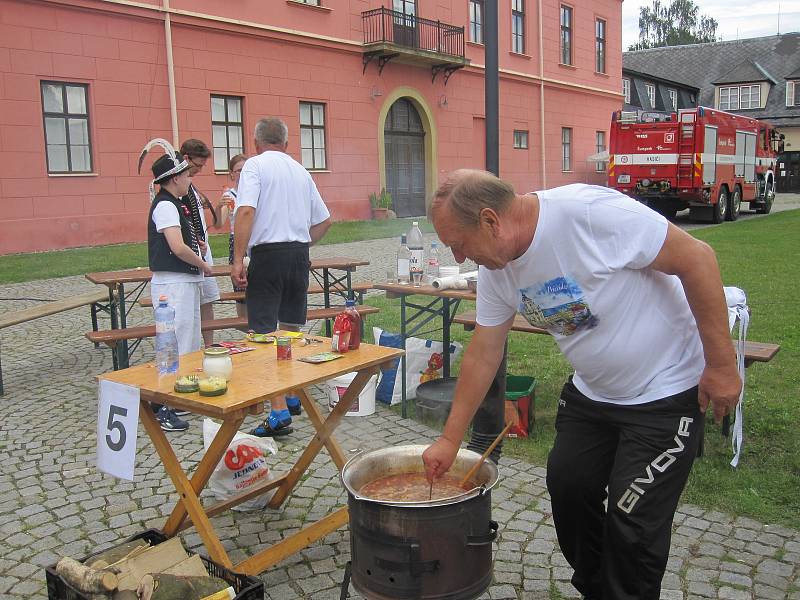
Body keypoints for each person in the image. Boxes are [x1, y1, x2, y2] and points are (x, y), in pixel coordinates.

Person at [421, 170, 741, 600]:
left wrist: (721, 366)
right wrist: (449, 439)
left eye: (458, 244)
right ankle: (597, 589)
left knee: (633, 519)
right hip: (593, 394)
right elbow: (483, 351)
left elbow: (697, 257)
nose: (459, 259)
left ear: (490, 221)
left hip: (665, 390)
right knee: (569, 488)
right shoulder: (499, 268)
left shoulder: (587, 214)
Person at [232, 117, 332, 437]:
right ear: (287, 144)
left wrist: (238, 257)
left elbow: (246, 211)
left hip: (269, 255)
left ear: (256, 142)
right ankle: (289, 395)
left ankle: (277, 411)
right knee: (290, 328)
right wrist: (301, 242)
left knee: (263, 332)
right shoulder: (301, 171)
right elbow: (325, 221)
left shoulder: (255, 166)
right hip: (298, 253)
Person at [146, 152, 213, 432]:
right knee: (176, 345)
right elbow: (176, 246)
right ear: (174, 178)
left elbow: (185, 240)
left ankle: (173, 399)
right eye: (186, 175)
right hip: (173, 284)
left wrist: (198, 245)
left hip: (183, 283)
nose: (189, 179)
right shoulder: (165, 205)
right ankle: (166, 405)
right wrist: (203, 265)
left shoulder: (176, 204)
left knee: (185, 342)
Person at [179, 139, 220, 347]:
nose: (200, 170)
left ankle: (210, 345)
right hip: (193, 251)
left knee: (207, 300)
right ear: (186, 159)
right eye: (197, 165)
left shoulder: (190, 185)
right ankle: (193, 348)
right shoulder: (178, 185)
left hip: (203, 248)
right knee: (193, 303)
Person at [216, 153, 248, 321]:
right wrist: (218, 206)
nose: (242, 174)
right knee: (240, 290)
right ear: (232, 174)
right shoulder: (230, 196)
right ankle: (245, 327)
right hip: (237, 241)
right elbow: (219, 222)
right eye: (238, 170)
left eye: (245, 169)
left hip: (256, 241)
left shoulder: (256, 191)